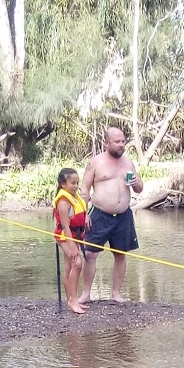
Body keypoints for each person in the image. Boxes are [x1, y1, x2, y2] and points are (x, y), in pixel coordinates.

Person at [81, 126, 144, 303]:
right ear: (107, 143)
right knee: (90, 254)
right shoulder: (96, 162)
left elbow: (139, 189)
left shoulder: (128, 163)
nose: (121, 145)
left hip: (123, 216)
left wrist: (136, 182)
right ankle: (86, 294)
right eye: (117, 142)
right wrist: (84, 213)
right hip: (99, 214)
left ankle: (116, 294)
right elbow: (85, 189)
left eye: (123, 141)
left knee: (120, 254)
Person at [52, 167, 87, 314]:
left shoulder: (73, 196)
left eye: (77, 183)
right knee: (77, 264)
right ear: (63, 184)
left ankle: (71, 300)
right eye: (73, 183)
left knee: (69, 268)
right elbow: (65, 226)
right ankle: (73, 301)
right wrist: (72, 247)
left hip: (75, 236)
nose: (76, 186)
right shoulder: (63, 201)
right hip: (65, 236)